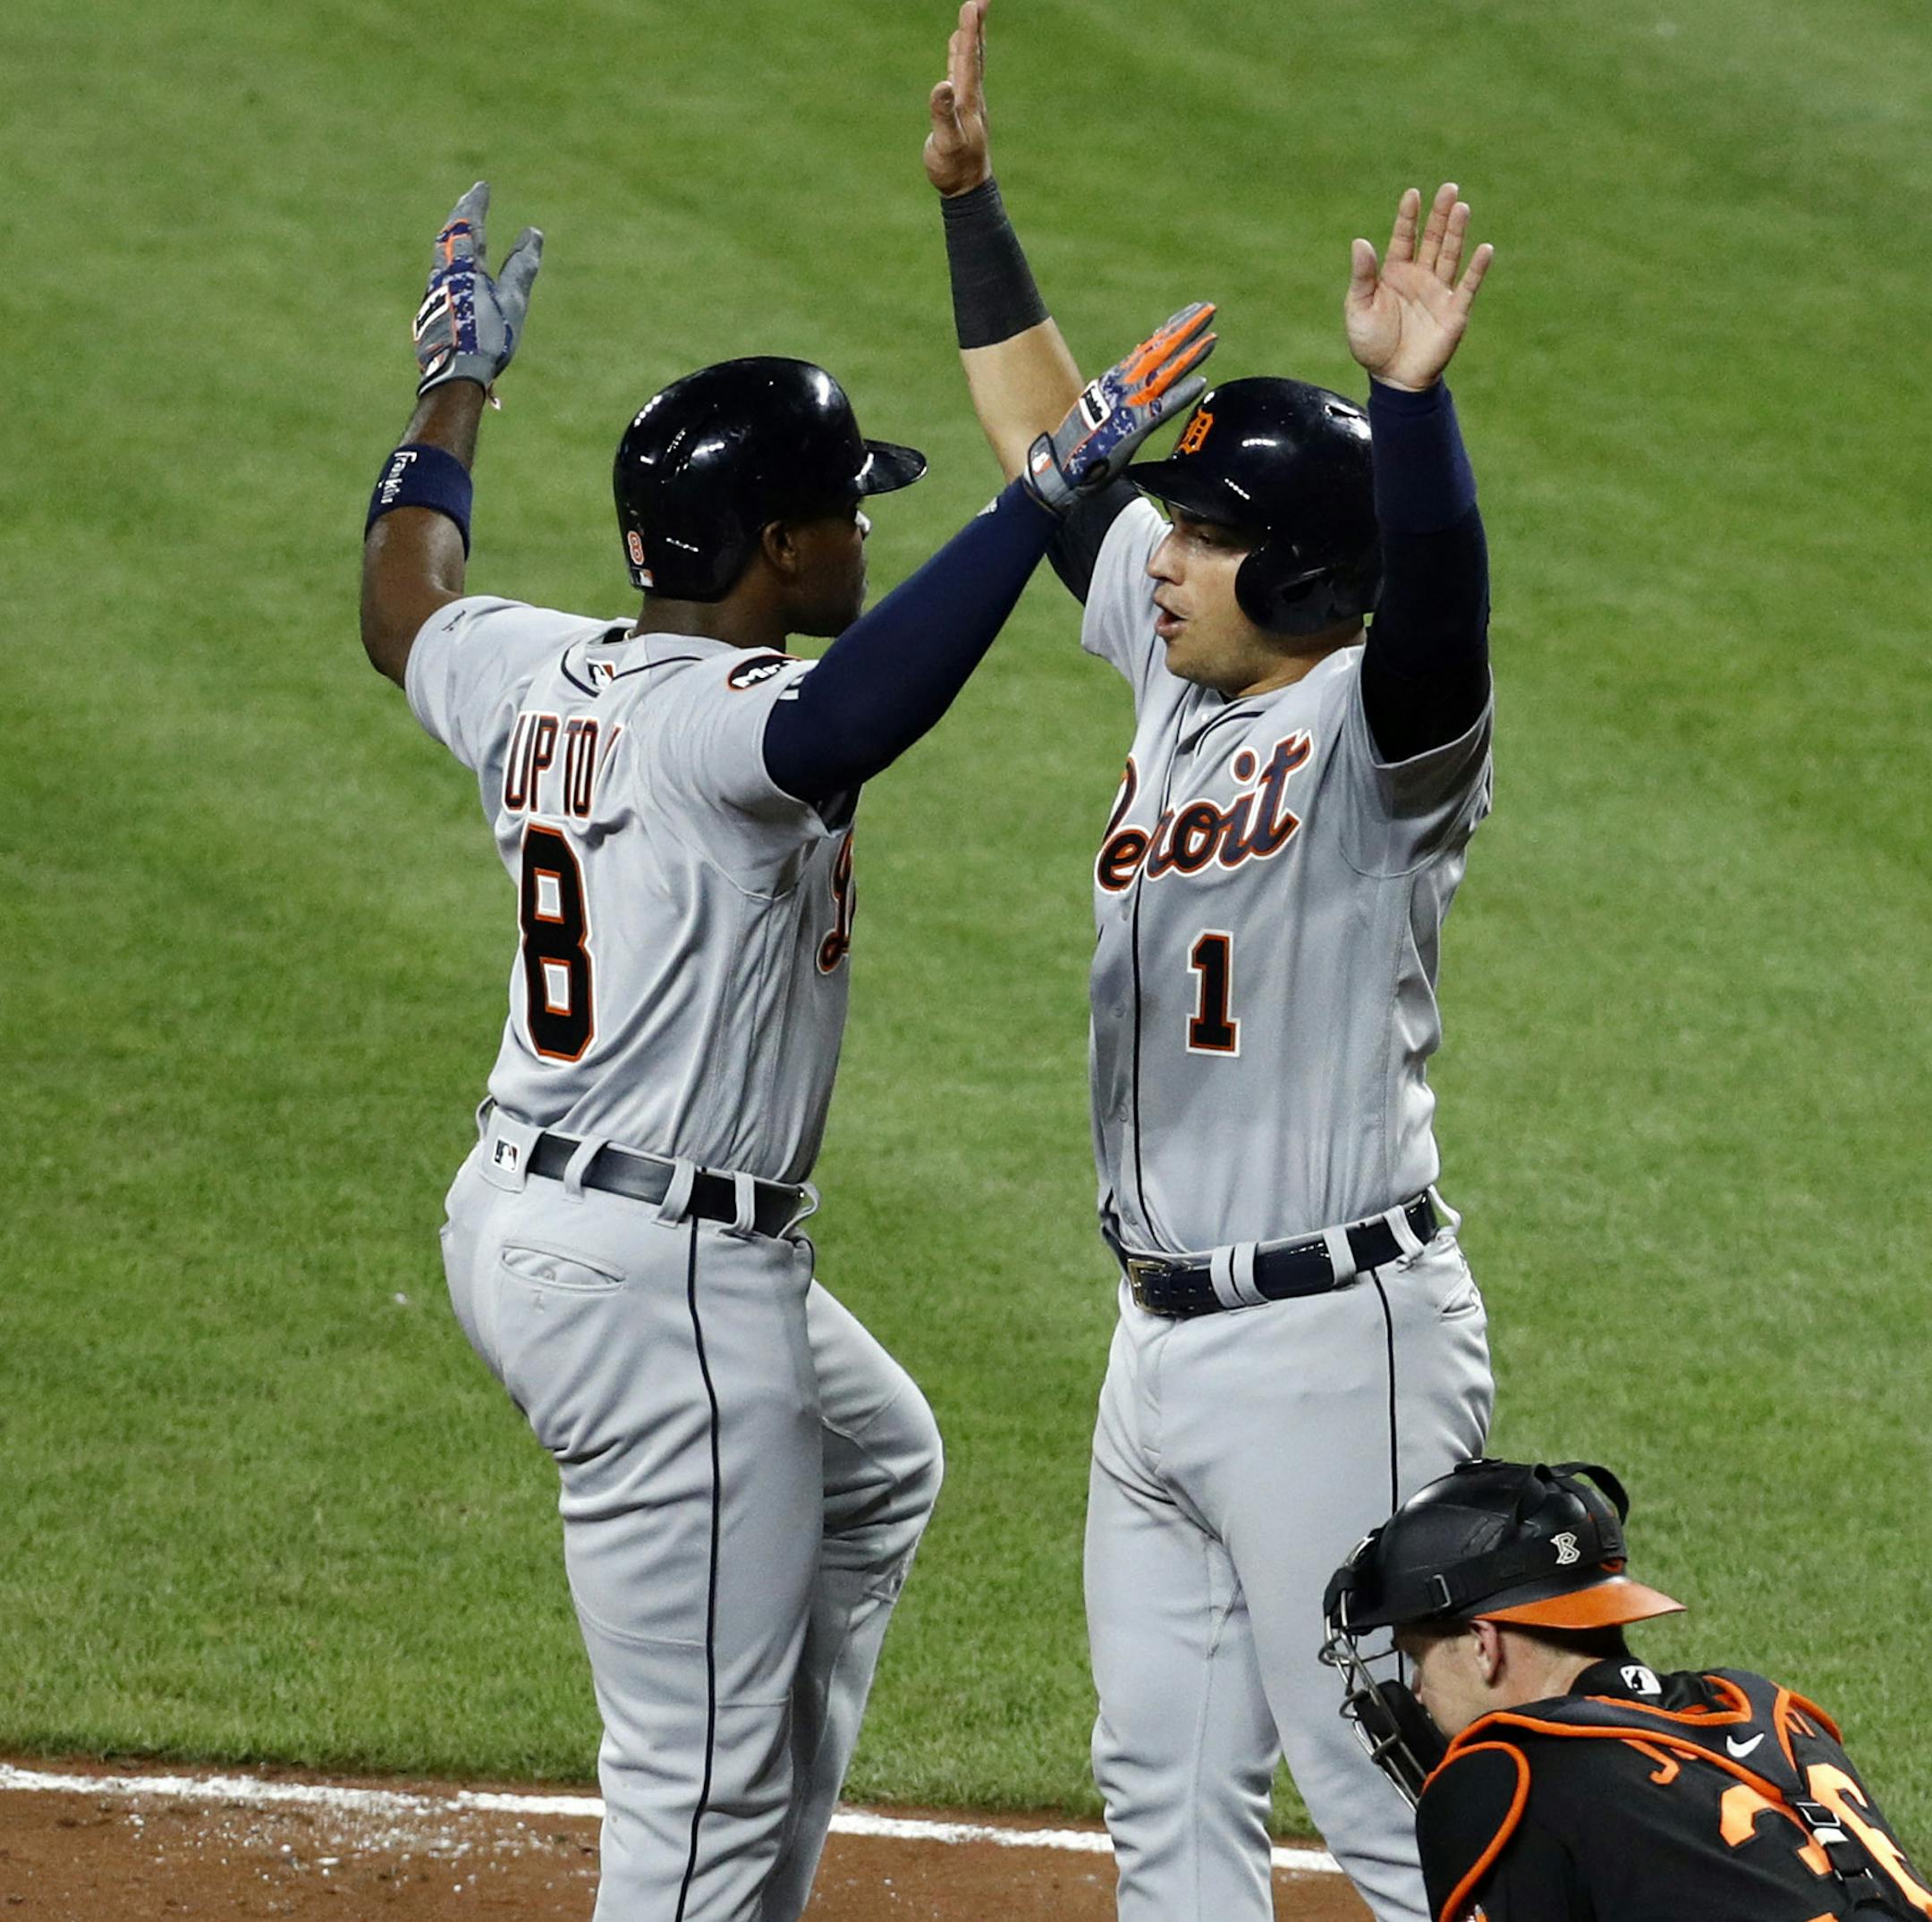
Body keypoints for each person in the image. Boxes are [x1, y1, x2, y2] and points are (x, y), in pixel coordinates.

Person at [358, 182, 1211, 1921]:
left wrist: (455, 388)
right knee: (690, 1800)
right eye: (844, 512)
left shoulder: (534, 668)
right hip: (658, 1281)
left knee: (878, 1461)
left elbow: (401, 595)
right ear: (774, 553)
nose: (862, 534)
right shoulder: (737, 732)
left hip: (523, 1215)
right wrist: (1039, 496)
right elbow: (856, 710)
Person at [923, 7, 1498, 1918]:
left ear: (1317, 580)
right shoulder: (1181, 671)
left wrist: (1410, 409)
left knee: (1394, 1798)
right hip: (1156, 1345)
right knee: (1161, 1789)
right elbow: (1044, 447)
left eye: (1213, 531)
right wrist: (973, 207)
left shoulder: (1380, 741)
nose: (1165, 551)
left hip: (1342, 1350)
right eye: (1175, 518)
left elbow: (1441, 616)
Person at [1323, 1458, 1932, 1920]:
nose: (1420, 1691)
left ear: (1485, 1642)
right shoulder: (1767, 1709)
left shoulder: (1507, 1773)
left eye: (1418, 1656)